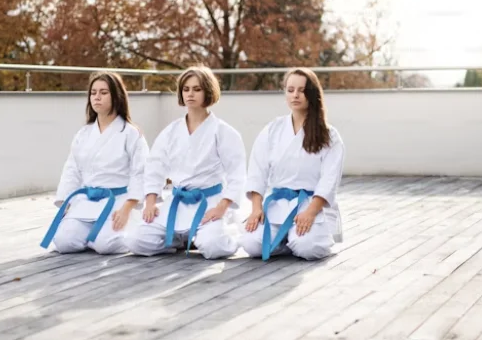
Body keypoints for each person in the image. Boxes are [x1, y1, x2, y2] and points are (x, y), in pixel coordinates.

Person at [124, 65, 246, 259]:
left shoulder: (224, 132)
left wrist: (222, 207)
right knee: (135, 241)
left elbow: (237, 174)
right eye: (186, 89)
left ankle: (230, 231)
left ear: (208, 92)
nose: (190, 94)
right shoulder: (171, 131)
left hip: (208, 203)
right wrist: (150, 202)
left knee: (213, 247)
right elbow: (155, 167)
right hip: (177, 203)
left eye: (197, 89)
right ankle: (180, 239)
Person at [238, 67, 345, 261]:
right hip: (277, 203)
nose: (295, 95)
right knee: (251, 244)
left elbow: (329, 180)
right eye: (290, 90)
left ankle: (296, 239)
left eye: (302, 90)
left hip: (310, 204)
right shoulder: (273, 129)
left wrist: (311, 212)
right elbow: (257, 171)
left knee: (307, 247)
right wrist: (256, 208)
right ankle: (286, 241)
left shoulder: (329, 136)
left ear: (312, 94)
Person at [40, 71, 148, 254]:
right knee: (64, 242)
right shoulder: (84, 134)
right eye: (93, 92)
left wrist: (128, 208)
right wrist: (66, 203)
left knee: (106, 245)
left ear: (116, 96)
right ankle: (91, 235)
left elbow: (141, 173)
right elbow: (72, 170)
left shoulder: (131, 133)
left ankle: (121, 233)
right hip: (86, 201)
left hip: (118, 203)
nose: (97, 97)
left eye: (104, 92)